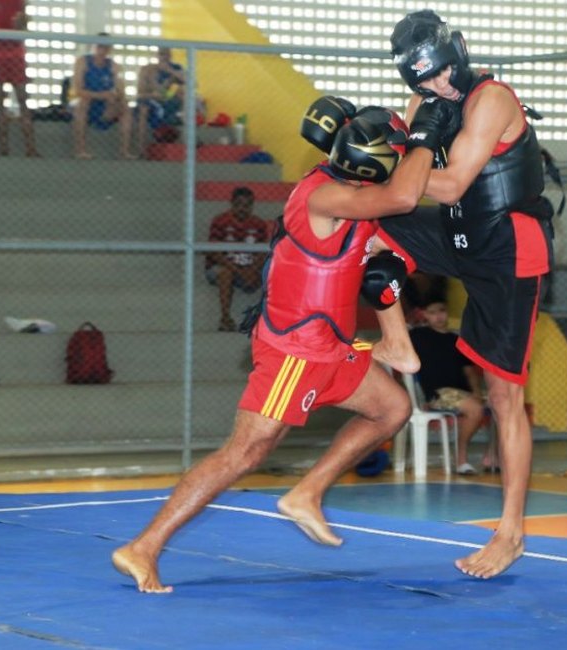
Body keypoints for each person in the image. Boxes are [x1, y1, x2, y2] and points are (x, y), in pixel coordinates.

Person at [110, 94, 459, 593]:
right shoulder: (323, 197)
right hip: (296, 353)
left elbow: (391, 163)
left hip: (331, 348)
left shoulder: (349, 185)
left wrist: (424, 103)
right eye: (392, 160)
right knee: (245, 453)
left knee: (391, 408)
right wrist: (425, 139)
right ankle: (142, 548)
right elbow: (404, 197)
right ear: (372, 168)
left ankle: (308, 491)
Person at [376, 10, 555, 579]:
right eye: (423, 82)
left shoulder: (490, 98)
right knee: (364, 221)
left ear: (459, 54)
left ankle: (510, 532)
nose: (436, 89)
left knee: (504, 397)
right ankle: (398, 342)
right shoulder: (419, 108)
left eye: (441, 75)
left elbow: (448, 184)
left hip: (507, 249)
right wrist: (368, 168)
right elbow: (404, 197)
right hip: (458, 236)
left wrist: (392, 168)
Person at [409, 293, 489, 475]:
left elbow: (469, 371)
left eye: (442, 311)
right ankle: (461, 460)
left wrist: (476, 391)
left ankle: (493, 457)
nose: (438, 316)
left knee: (504, 405)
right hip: (439, 393)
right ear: (424, 315)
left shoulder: (456, 341)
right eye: (432, 312)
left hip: (464, 392)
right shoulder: (417, 336)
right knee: (475, 409)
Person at [0, 0, 39, 157]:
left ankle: (30, 148)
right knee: (0, 102)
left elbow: (25, 25)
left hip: (16, 53)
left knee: (23, 99)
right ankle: (3, 147)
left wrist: (22, 23)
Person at [205, 186, 269, 332]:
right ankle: (225, 319)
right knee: (225, 273)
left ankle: (267, 321)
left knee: (273, 272)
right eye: (238, 204)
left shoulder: (258, 224)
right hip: (224, 268)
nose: (242, 209)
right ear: (232, 204)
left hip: (249, 269)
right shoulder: (220, 221)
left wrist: (253, 270)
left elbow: (262, 253)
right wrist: (239, 271)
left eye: (247, 205)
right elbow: (214, 253)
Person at [71, 33, 135, 160]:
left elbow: (121, 91)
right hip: (86, 102)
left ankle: (124, 151)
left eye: (106, 47)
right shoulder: (82, 62)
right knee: (83, 103)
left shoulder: (114, 66)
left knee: (125, 108)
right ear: (94, 46)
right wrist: (100, 95)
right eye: (100, 46)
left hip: (105, 106)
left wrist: (115, 98)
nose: (102, 50)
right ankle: (81, 150)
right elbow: (78, 90)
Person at [135, 47, 189, 152]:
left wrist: (169, 70)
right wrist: (153, 94)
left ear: (170, 55)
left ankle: (186, 140)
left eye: (166, 54)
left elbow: (191, 82)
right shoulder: (147, 69)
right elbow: (140, 94)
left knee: (183, 93)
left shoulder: (175, 68)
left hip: (167, 100)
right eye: (161, 54)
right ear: (156, 56)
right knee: (144, 108)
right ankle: (141, 147)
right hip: (150, 100)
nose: (164, 57)